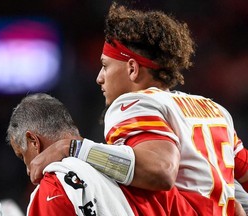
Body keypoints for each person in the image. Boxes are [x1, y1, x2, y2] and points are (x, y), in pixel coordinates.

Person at [29, 2, 248, 215]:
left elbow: (160, 170)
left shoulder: (135, 104)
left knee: (72, 172)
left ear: (132, 69)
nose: (99, 78)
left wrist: (73, 149)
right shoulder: (214, 109)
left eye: (105, 66)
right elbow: (242, 176)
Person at [6, 93, 135, 216]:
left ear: (34, 142)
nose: (28, 170)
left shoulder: (53, 187)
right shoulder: (132, 175)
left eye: (22, 156)